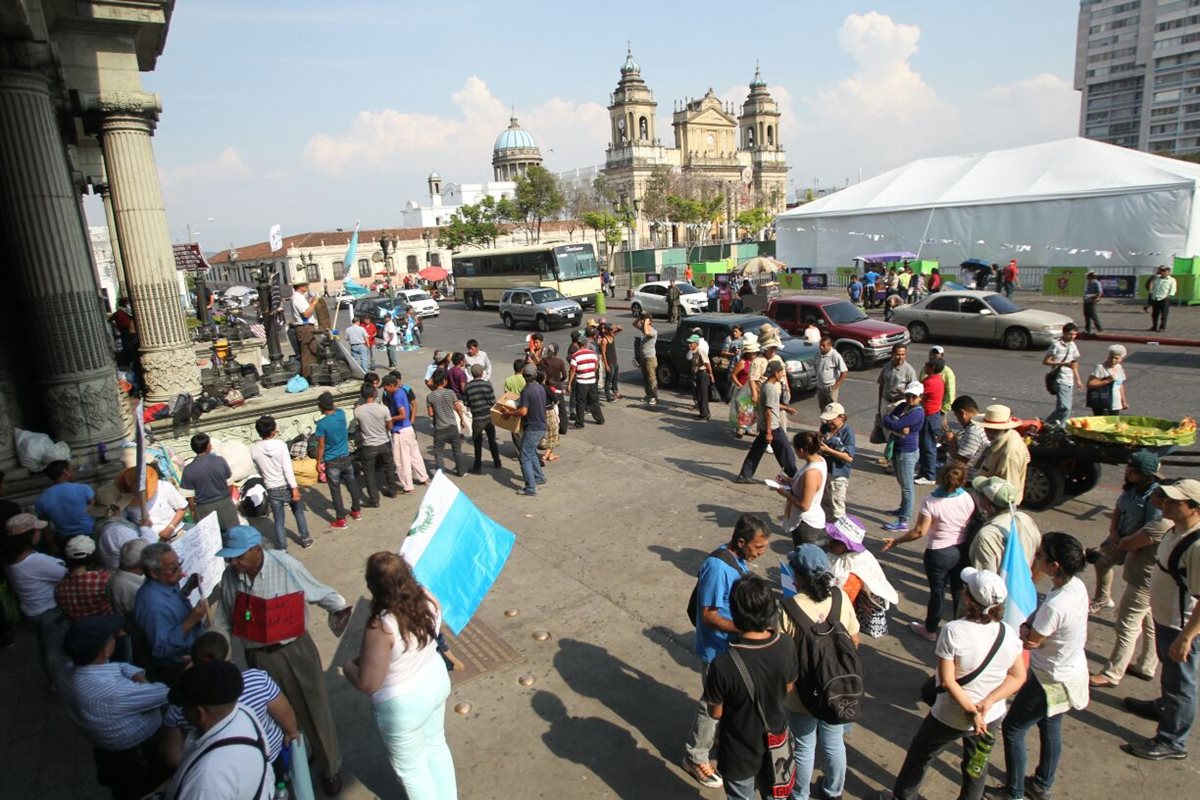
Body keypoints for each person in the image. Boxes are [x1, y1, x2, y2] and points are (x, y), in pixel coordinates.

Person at [212, 526, 352, 796]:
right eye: (229, 558)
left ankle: (330, 767)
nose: (233, 562)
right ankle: (296, 758)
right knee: (275, 716)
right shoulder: (230, 578)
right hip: (258, 657)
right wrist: (217, 654)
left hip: (295, 651)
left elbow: (320, 592)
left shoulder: (285, 565)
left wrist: (338, 610)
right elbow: (223, 621)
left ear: (255, 551)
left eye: (237, 557)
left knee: (314, 710)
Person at [882, 567, 1026, 800]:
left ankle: (903, 797)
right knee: (976, 765)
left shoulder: (953, 631)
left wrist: (972, 710)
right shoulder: (1008, 633)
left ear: (968, 598)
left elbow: (948, 680)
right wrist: (987, 704)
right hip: (991, 715)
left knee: (921, 754)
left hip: (952, 713)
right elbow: (1018, 676)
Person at [343, 552, 458, 799]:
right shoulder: (427, 598)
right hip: (434, 679)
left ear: (372, 586)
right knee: (436, 745)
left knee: (413, 770)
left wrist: (349, 667)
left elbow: (368, 682)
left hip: (403, 704)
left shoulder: (382, 625)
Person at [683, 514, 770, 789]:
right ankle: (695, 756)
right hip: (716, 649)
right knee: (711, 704)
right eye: (758, 547)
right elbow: (707, 614)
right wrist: (743, 629)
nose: (761, 553)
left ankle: (716, 737)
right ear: (741, 542)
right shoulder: (716, 567)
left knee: (727, 702)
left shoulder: (737, 559)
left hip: (731, 646)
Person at [1002, 532, 1090, 800]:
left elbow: (1032, 642)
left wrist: (1026, 628)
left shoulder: (1057, 604)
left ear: (1055, 566)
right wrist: (1030, 624)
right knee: (1050, 726)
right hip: (1069, 670)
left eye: (1039, 556)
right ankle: (1042, 783)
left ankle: (1015, 792)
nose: (1035, 558)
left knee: (1013, 729)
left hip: (1048, 676)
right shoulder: (1075, 587)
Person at [1121, 478, 1200, 760]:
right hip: (1166, 617)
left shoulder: (1197, 544)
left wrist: (1187, 636)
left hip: (1182, 624)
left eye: (1174, 502)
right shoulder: (1175, 529)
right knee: (1171, 675)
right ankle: (1166, 706)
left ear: (1195, 509)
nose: (1166, 505)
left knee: (1182, 683)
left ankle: (1172, 739)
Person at [703, 575, 798, 800]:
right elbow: (789, 688)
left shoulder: (723, 664)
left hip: (738, 749)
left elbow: (715, 712)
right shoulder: (785, 644)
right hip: (776, 741)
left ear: (734, 613)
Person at [777, 544, 858, 800]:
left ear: (797, 576)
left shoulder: (788, 608)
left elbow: (781, 656)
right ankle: (833, 791)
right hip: (837, 686)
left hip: (801, 691)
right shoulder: (839, 597)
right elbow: (854, 640)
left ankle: (800, 794)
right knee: (834, 741)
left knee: (803, 744)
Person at [61, 614, 172, 799]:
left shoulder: (68, 671)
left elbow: (120, 666)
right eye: (112, 638)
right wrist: (143, 680)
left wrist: (134, 673)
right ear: (105, 650)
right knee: (148, 791)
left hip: (106, 750)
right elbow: (162, 693)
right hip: (137, 756)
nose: (116, 638)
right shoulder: (112, 690)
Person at [160, 632, 299, 774]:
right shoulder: (256, 681)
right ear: (230, 661)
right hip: (269, 757)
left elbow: (173, 756)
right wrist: (292, 732)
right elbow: (285, 712)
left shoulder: (182, 704)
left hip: (222, 772)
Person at [1089, 452, 1168, 687]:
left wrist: (1123, 544)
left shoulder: (1157, 510)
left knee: (1126, 624)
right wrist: (1114, 534)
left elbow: (1144, 537)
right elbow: (1118, 510)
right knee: (1148, 619)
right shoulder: (1131, 491)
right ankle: (1146, 664)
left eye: (1132, 470)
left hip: (1143, 571)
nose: (1127, 473)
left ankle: (1112, 673)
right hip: (1127, 550)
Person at [884, 463, 975, 641]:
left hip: (939, 553)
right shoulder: (967, 498)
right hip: (961, 550)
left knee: (937, 592)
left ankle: (931, 628)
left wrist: (897, 541)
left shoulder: (931, 501)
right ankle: (960, 630)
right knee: (958, 590)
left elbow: (919, 531)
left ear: (941, 478)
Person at [163, 660, 273, 800]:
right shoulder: (243, 712)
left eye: (183, 706)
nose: (182, 711)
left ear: (199, 713)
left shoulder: (207, 778)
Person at [3, 513, 69, 687]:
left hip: (31, 610)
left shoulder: (10, 559)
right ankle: (61, 685)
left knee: (45, 648)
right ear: (28, 536)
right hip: (49, 612)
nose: (40, 533)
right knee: (56, 652)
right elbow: (64, 574)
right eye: (37, 530)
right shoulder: (35, 561)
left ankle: (54, 680)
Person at [133, 542, 207, 684]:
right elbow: (161, 648)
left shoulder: (165, 585)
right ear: (154, 573)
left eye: (179, 564)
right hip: (178, 668)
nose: (179, 570)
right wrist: (192, 620)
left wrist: (188, 588)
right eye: (173, 569)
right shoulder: (152, 604)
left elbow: (173, 607)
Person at [250, 415, 312, 550]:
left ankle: (282, 546)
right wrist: (294, 488)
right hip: (287, 485)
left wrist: (266, 478)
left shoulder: (254, 449)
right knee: (298, 512)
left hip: (272, 487)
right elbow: (287, 469)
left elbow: (258, 469)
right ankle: (305, 538)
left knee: (278, 519)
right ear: (273, 431)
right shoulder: (281, 445)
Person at [734, 361, 798, 484]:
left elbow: (770, 404)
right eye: (781, 373)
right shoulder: (771, 389)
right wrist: (769, 432)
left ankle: (745, 475)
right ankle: (796, 477)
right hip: (772, 428)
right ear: (776, 373)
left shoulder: (765, 385)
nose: (782, 375)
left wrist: (785, 408)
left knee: (756, 451)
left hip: (766, 427)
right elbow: (768, 411)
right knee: (785, 452)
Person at [968, 476, 1042, 575]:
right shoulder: (1025, 519)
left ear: (987, 502)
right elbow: (1040, 557)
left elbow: (986, 582)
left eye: (979, 494)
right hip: (1022, 586)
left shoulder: (986, 536)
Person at [880, 381, 926, 532]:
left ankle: (903, 520)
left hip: (907, 452)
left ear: (920, 397)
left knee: (907, 487)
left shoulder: (918, 413)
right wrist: (894, 422)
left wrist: (895, 422)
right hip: (899, 449)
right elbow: (887, 420)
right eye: (908, 395)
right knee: (902, 482)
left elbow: (894, 424)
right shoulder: (902, 406)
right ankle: (902, 509)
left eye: (913, 396)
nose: (910, 399)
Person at [314, 391, 364, 529]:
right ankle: (356, 511)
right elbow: (335, 408)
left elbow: (321, 446)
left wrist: (318, 462)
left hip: (332, 461)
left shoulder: (322, 424)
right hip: (346, 457)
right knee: (352, 485)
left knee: (335, 491)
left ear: (321, 407)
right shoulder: (341, 414)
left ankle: (341, 519)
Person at [498, 363, 548, 496]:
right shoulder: (540, 388)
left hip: (533, 428)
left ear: (524, 376)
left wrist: (509, 413)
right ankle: (539, 477)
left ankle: (530, 488)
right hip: (541, 425)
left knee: (524, 457)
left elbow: (524, 411)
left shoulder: (526, 390)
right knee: (531, 453)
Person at [777, 431, 828, 548]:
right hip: (810, 522)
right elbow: (806, 486)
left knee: (804, 559)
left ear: (801, 451)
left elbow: (804, 505)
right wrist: (789, 480)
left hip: (807, 524)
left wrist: (784, 493)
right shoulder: (819, 460)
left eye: (795, 449)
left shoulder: (811, 473)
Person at [180, 433, 237, 532]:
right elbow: (230, 484)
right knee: (235, 536)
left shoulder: (188, 470)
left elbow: (190, 499)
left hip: (204, 510)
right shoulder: (220, 461)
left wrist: (194, 513)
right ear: (208, 447)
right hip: (225, 504)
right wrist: (227, 500)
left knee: (213, 541)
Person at [975, 405, 1031, 506]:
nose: (986, 431)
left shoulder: (1009, 454)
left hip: (997, 505)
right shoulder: (1010, 435)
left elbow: (1006, 494)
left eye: (990, 429)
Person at [383, 373, 429, 494]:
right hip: (408, 428)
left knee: (402, 461)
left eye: (386, 387)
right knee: (415, 456)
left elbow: (402, 415)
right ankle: (424, 478)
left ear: (391, 385)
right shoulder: (402, 391)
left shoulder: (396, 396)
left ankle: (408, 485)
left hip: (400, 431)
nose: (384, 389)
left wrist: (391, 419)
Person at [355, 386, 400, 506]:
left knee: (369, 473)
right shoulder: (383, 408)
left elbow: (359, 427)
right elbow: (390, 427)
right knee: (389, 467)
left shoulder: (358, 411)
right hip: (384, 443)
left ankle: (374, 500)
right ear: (375, 394)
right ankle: (393, 490)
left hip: (369, 445)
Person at [119, 466, 188, 542]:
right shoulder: (126, 501)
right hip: (151, 543)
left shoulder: (163, 487)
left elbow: (182, 508)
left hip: (176, 536)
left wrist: (170, 528)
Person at [54, 535, 113, 621]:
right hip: (107, 627)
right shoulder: (104, 579)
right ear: (93, 555)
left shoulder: (60, 588)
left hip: (80, 631)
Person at [876, 345, 918, 465]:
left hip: (899, 403)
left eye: (903, 354)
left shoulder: (909, 370)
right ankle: (888, 455)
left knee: (896, 432)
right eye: (898, 354)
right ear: (892, 354)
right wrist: (879, 405)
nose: (900, 357)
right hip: (886, 402)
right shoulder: (887, 367)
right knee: (886, 431)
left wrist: (904, 395)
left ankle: (891, 460)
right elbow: (881, 385)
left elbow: (914, 391)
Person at [34, 460, 95, 541]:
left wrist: (51, 546)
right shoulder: (83, 488)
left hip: (65, 540)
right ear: (65, 472)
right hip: (91, 535)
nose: (74, 472)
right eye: (71, 470)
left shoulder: (41, 499)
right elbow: (99, 510)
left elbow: (45, 527)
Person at [92, 484, 150, 570]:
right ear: (118, 508)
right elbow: (144, 551)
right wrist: (146, 529)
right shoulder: (117, 530)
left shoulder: (101, 526)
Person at [426, 367, 468, 478]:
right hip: (452, 426)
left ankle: (441, 475)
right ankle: (461, 471)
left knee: (439, 452)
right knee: (457, 450)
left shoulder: (430, 396)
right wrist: (462, 419)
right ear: (445, 381)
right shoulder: (450, 392)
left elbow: (430, 414)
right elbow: (458, 407)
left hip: (440, 428)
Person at [819, 402, 856, 523]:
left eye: (832, 419)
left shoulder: (848, 432)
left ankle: (840, 537)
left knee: (837, 509)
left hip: (838, 475)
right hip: (824, 471)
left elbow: (849, 457)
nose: (829, 423)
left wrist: (828, 450)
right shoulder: (825, 428)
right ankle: (827, 532)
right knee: (824, 506)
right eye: (827, 419)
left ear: (842, 417)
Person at [463, 364, 503, 474]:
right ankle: (497, 462)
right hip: (488, 417)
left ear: (472, 374)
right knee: (492, 441)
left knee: (477, 443)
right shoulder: (487, 385)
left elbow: (466, 403)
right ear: (481, 373)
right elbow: (492, 402)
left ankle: (477, 466)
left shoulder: (467, 387)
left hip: (477, 417)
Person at [1043, 323, 1082, 426]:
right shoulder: (1056, 345)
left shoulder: (1073, 345)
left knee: (1063, 408)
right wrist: (1063, 364)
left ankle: (1056, 426)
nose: (1072, 337)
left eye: (1074, 334)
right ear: (1064, 333)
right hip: (1060, 379)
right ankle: (1051, 424)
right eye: (1070, 334)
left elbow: (1074, 363)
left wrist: (1078, 379)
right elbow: (1046, 361)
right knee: (1066, 408)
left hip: (1070, 379)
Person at [915, 360, 947, 485]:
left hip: (929, 416)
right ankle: (924, 472)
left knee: (928, 446)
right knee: (925, 445)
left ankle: (929, 475)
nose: (925, 367)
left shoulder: (930, 382)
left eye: (927, 365)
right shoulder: (938, 379)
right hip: (933, 415)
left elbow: (919, 394)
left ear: (932, 367)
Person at [568, 336, 605, 427]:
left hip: (581, 382)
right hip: (592, 381)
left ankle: (580, 422)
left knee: (580, 402)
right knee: (594, 401)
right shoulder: (593, 354)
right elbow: (596, 365)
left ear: (578, 344)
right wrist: (592, 373)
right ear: (585, 344)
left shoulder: (575, 356)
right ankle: (600, 419)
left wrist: (569, 383)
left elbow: (573, 370)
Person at [946, 395, 987, 475]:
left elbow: (960, 461)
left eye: (957, 416)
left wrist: (951, 442)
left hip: (967, 479)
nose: (958, 421)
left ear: (962, 413)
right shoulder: (983, 422)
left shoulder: (974, 432)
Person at [728, 335, 758, 438]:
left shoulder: (755, 363)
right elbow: (733, 375)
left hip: (751, 389)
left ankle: (748, 428)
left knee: (750, 409)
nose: (754, 355)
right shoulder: (742, 362)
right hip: (741, 388)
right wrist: (740, 385)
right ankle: (740, 429)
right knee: (741, 409)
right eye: (752, 353)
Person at [290, 278, 320, 379]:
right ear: (300, 287)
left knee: (311, 350)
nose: (307, 287)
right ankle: (309, 375)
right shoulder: (297, 298)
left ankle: (311, 374)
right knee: (308, 352)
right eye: (305, 285)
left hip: (305, 327)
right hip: (305, 327)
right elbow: (306, 314)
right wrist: (314, 303)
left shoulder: (299, 297)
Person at [1087, 344, 1128, 416]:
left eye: (1116, 358)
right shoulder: (1101, 367)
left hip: (1116, 404)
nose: (1113, 360)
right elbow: (1090, 384)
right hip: (1102, 403)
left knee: (1113, 425)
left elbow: (1120, 385)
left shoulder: (1119, 367)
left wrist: (1123, 401)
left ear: (1121, 359)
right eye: (1111, 357)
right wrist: (1107, 380)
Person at [542, 342, 570, 436]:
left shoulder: (543, 361)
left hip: (547, 386)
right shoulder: (560, 362)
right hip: (557, 386)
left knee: (547, 407)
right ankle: (563, 428)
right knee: (561, 407)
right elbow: (565, 376)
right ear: (557, 351)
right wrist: (559, 381)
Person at [814, 336, 848, 412]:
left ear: (830, 346)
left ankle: (832, 423)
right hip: (820, 387)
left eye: (824, 345)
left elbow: (844, 371)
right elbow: (816, 367)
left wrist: (836, 386)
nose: (821, 347)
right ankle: (824, 423)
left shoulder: (835, 355)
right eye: (820, 345)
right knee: (822, 408)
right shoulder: (817, 355)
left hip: (830, 387)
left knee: (831, 409)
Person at [688, 334, 714, 421]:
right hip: (698, 374)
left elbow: (707, 363)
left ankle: (705, 414)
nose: (689, 345)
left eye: (691, 343)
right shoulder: (694, 352)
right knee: (699, 395)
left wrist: (711, 374)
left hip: (703, 374)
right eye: (689, 343)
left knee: (703, 395)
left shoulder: (700, 351)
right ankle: (702, 413)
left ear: (696, 343)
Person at [1145, 264, 1177, 332]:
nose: (1162, 272)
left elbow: (1173, 289)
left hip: (1164, 298)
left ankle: (1162, 327)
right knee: (1154, 314)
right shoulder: (1156, 278)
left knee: (1164, 314)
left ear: (1168, 272)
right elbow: (1150, 285)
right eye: (1161, 270)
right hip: (1155, 298)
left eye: (1164, 271)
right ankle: (1154, 327)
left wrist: (1169, 296)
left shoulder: (1171, 280)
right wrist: (1151, 294)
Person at [636, 314, 659, 405]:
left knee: (651, 378)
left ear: (649, 322)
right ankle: (648, 394)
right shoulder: (643, 329)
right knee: (645, 377)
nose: (642, 321)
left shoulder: (653, 332)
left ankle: (654, 396)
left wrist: (646, 321)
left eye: (644, 320)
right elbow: (634, 324)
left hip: (650, 358)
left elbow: (646, 331)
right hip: (643, 357)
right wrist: (641, 317)